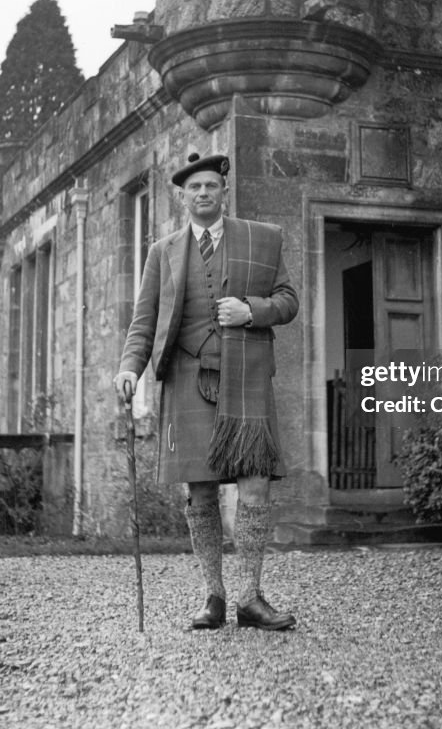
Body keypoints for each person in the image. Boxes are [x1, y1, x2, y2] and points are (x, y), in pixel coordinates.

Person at [114, 151, 299, 631]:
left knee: (255, 481)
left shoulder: (262, 239)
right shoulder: (163, 252)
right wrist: (128, 368)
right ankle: (214, 596)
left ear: (223, 191)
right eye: (194, 188)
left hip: (246, 377)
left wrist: (252, 311)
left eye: (210, 187)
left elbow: (289, 300)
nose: (202, 194)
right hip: (188, 380)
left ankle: (250, 596)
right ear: (183, 196)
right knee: (200, 489)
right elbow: (143, 321)